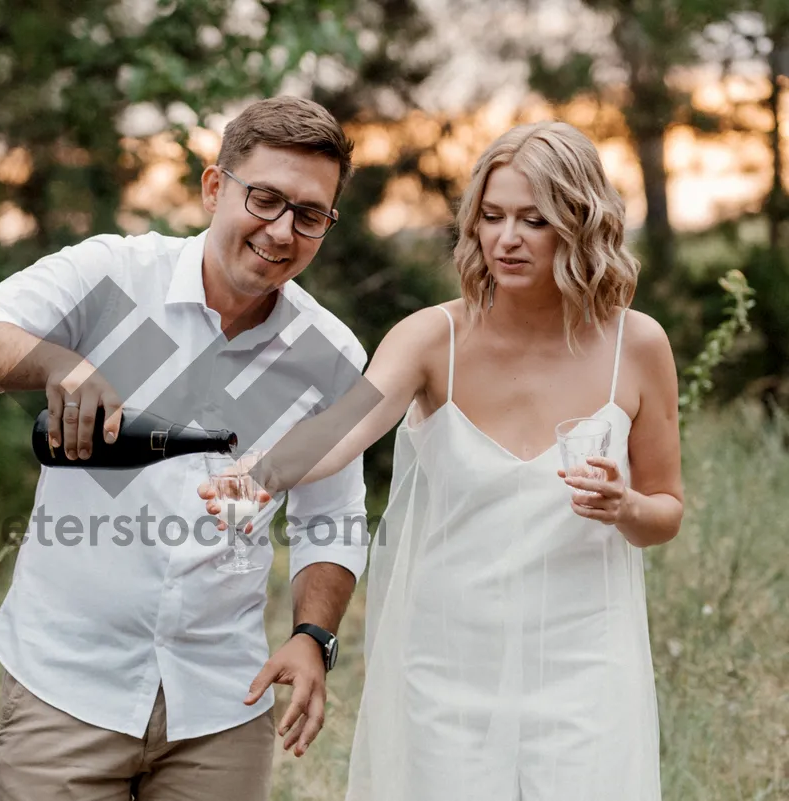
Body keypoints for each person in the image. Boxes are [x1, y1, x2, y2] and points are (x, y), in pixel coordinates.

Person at [0, 96, 369, 800]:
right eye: (265, 199)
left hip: (222, 702)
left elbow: (332, 518)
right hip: (67, 687)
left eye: (309, 214)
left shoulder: (331, 352)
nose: (282, 231)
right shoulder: (115, 275)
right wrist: (55, 364)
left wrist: (314, 636)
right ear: (214, 186)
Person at [219, 121, 682, 800]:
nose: (506, 238)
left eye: (534, 219)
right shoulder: (434, 337)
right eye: (491, 216)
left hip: (585, 663)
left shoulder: (637, 347)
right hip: (445, 665)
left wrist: (626, 505)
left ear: (581, 225)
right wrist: (260, 469)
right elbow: (341, 429)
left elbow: (665, 512)